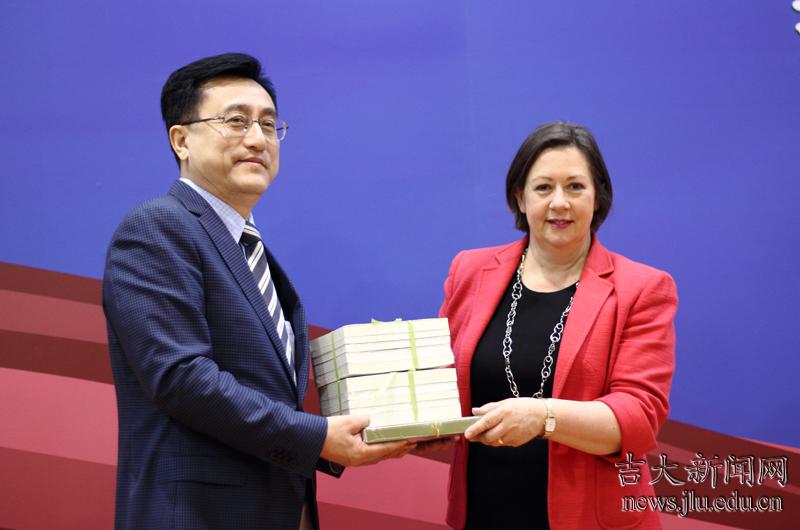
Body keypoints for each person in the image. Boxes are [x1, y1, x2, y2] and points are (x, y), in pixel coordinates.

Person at [103, 53, 413, 530]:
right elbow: (181, 377)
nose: (257, 139)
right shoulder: (157, 227)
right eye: (236, 121)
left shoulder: (248, 248)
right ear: (181, 140)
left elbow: (267, 394)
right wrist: (316, 437)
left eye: (269, 125)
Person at [439, 122, 677, 529]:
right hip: (483, 510)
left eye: (575, 187)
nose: (559, 202)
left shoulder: (643, 288)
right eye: (544, 187)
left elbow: (638, 417)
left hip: (589, 519)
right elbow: (441, 382)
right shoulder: (470, 270)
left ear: (598, 197)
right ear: (520, 197)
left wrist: (543, 416)